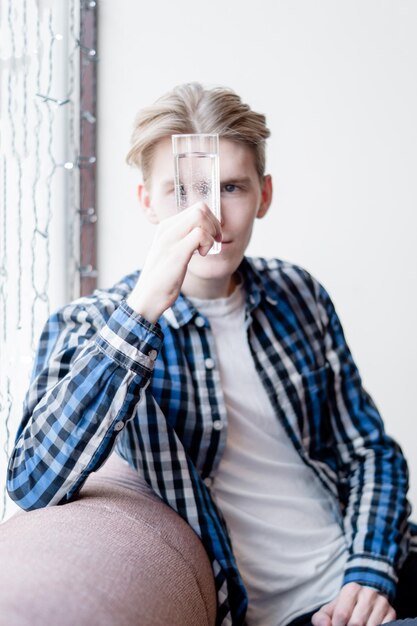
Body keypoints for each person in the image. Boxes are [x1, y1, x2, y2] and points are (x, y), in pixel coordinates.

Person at [7, 83, 417, 626]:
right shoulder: (91, 325)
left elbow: (369, 451)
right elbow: (33, 482)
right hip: (295, 614)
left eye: (231, 187)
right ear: (146, 202)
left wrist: (370, 569)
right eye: (182, 190)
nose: (210, 214)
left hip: (379, 568)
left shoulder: (298, 292)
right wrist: (143, 307)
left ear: (264, 195)